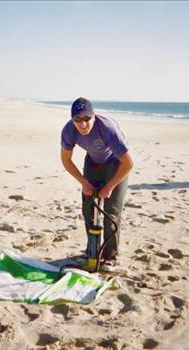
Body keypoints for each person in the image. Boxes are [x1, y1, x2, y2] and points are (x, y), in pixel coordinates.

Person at [60, 97, 133, 271]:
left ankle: (110, 256)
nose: (82, 124)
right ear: (72, 119)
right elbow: (66, 160)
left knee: (111, 212)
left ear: (94, 116)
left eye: (86, 119)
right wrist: (84, 182)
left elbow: (129, 163)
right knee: (89, 209)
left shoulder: (107, 128)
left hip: (117, 163)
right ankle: (92, 251)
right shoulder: (69, 130)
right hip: (93, 162)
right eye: (78, 119)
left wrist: (109, 187)